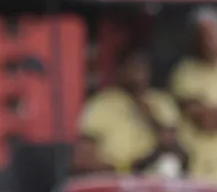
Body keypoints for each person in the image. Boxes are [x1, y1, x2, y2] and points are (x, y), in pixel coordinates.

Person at [72, 49, 188, 177]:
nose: (137, 74)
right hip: (113, 178)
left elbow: (175, 148)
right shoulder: (103, 103)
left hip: (154, 178)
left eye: (142, 69)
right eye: (133, 68)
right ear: (120, 70)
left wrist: (149, 115)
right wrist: (125, 168)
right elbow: (82, 158)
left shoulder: (162, 102)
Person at [169, 7, 217, 188]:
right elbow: (206, 120)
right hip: (196, 173)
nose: (208, 41)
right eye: (202, 35)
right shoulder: (185, 72)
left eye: (213, 34)